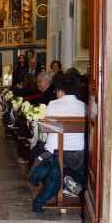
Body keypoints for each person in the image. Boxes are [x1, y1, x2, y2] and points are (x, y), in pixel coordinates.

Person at [31, 76, 86, 214]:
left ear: (61, 91)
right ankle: (70, 182)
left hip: (56, 154)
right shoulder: (84, 106)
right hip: (79, 157)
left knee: (38, 148)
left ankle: (53, 185)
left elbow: (44, 128)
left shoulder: (53, 105)